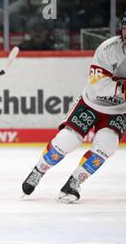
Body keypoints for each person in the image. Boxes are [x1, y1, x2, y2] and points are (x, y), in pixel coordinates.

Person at [21, 12, 126, 203]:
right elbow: (98, 86)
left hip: (118, 111)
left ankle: (74, 182)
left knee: (107, 146)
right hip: (92, 103)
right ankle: (39, 170)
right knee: (66, 141)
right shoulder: (108, 49)